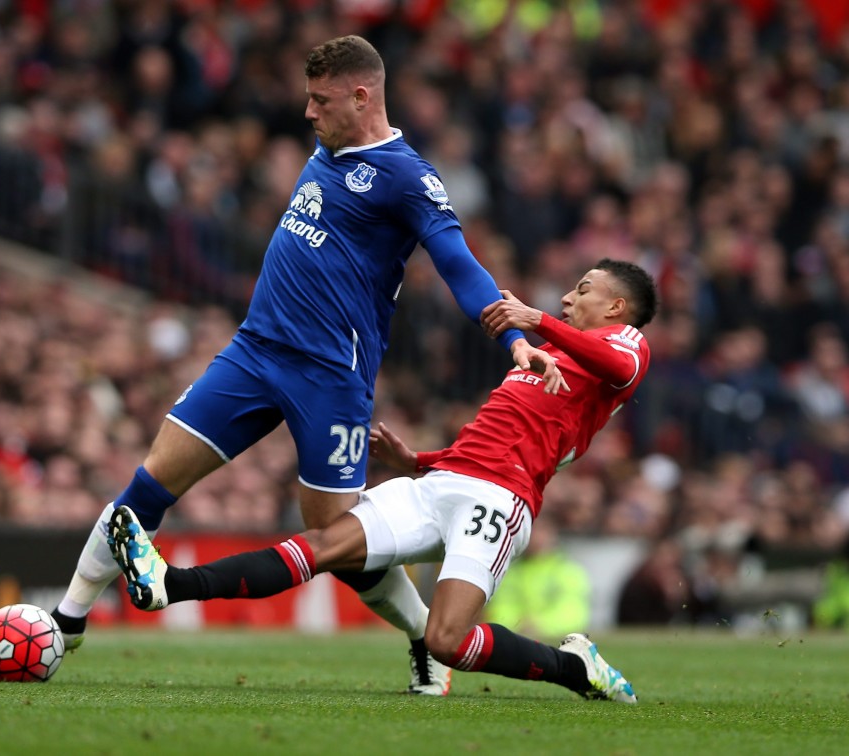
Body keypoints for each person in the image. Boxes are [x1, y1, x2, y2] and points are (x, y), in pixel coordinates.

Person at [50, 34, 562, 695]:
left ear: (361, 96)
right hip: (254, 352)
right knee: (150, 482)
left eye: (321, 100)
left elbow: (458, 263)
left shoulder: (409, 177)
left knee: (336, 538)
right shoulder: (326, 150)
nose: (308, 113)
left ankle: (422, 639)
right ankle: (66, 624)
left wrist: (512, 340)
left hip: (331, 380)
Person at [108, 258, 657, 703]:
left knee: (447, 640)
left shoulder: (626, 345)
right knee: (326, 547)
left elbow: (620, 371)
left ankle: (574, 668)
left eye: (582, 289)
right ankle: (169, 585)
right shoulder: (547, 354)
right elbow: (499, 434)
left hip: (498, 498)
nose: (568, 297)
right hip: (441, 481)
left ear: (616, 306)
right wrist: (416, 458)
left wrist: (534, 319)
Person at [483, 517, 592, 642]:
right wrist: (518, 625)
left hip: (555, 642)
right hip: (516, 640)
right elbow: (500, 609)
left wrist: (538, 626)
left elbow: (573, 613)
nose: (535, 536)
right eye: (531, 531)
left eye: (542, 531)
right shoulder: (509, 572)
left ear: (553, 535)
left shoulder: (569, 571)